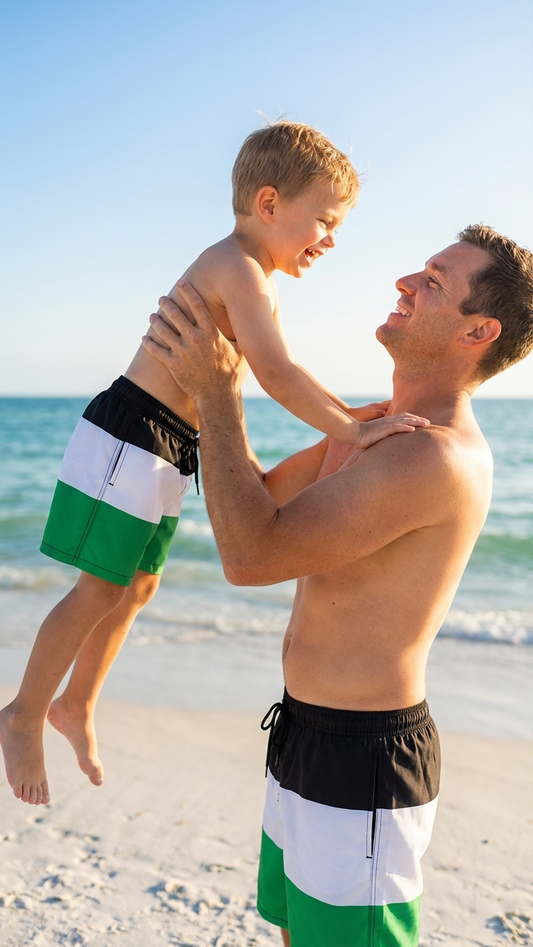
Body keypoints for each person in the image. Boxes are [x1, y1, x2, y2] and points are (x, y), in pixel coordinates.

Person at [0, 120, 428, 807]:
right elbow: (276, 374)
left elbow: (286, 369)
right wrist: (351, 427)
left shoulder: (257, 277)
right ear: (268, 204)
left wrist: (351, 415)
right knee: (97, 589)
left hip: (171, 441)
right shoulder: (235, 266)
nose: (331, 239)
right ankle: (22, 715)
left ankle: (75, 703)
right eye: (324, 220)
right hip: (133, 431)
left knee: (137, 587)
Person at [139, 224, 533, 947]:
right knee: (299, 933)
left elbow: (250, 556)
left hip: (365, 759)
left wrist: (220, 392)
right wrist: (200, 383)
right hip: (304, 731)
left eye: (433, 282)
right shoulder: (374, 429)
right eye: (419, 271)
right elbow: (256, 498)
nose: (405, 284)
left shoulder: (432, 456)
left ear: (477, 331)